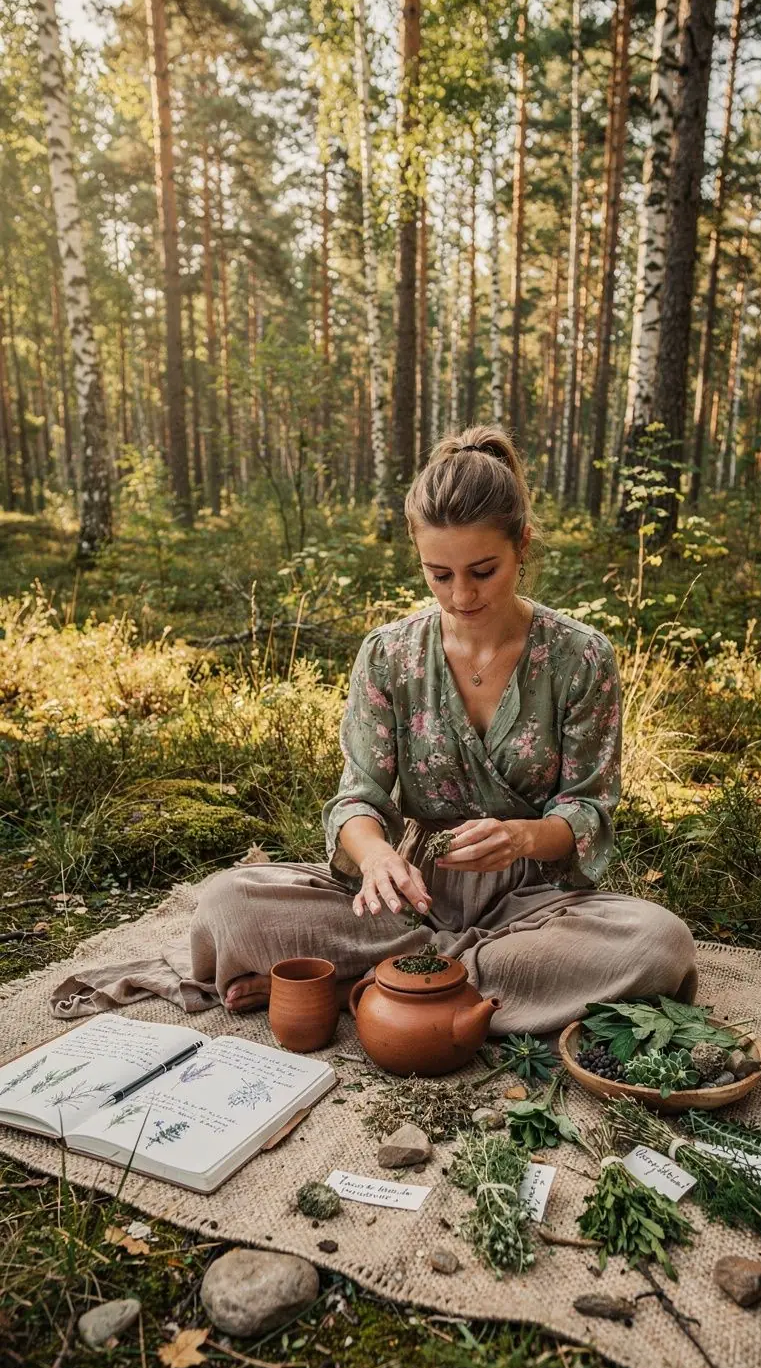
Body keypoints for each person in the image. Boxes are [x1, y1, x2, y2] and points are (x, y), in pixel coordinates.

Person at [191, 424, 697, 1033]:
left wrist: (523, 838)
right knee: (227, 904)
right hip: (408, 898)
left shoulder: (581, 657)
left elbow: (588, 808)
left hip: (534, 906)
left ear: (523, 546)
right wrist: (376, 856)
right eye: (439, 574)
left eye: (483, 570)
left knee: (658, 944)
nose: (460, 595)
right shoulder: (388, 653)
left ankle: (374, 981)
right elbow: (358, 796)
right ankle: (460, 986)